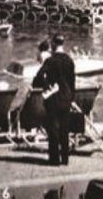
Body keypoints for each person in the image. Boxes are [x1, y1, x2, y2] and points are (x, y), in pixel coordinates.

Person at [32, 34, 75, 166]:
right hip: (67, 97)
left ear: (54, 44)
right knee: (65, 129)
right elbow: (72, 82)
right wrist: (71, 97)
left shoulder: (50, 61)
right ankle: (65, 158)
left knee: (53, 128)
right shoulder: (69, 60)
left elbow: (38, 78)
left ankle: (54, 159)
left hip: (54, 97)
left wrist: (43, 85)